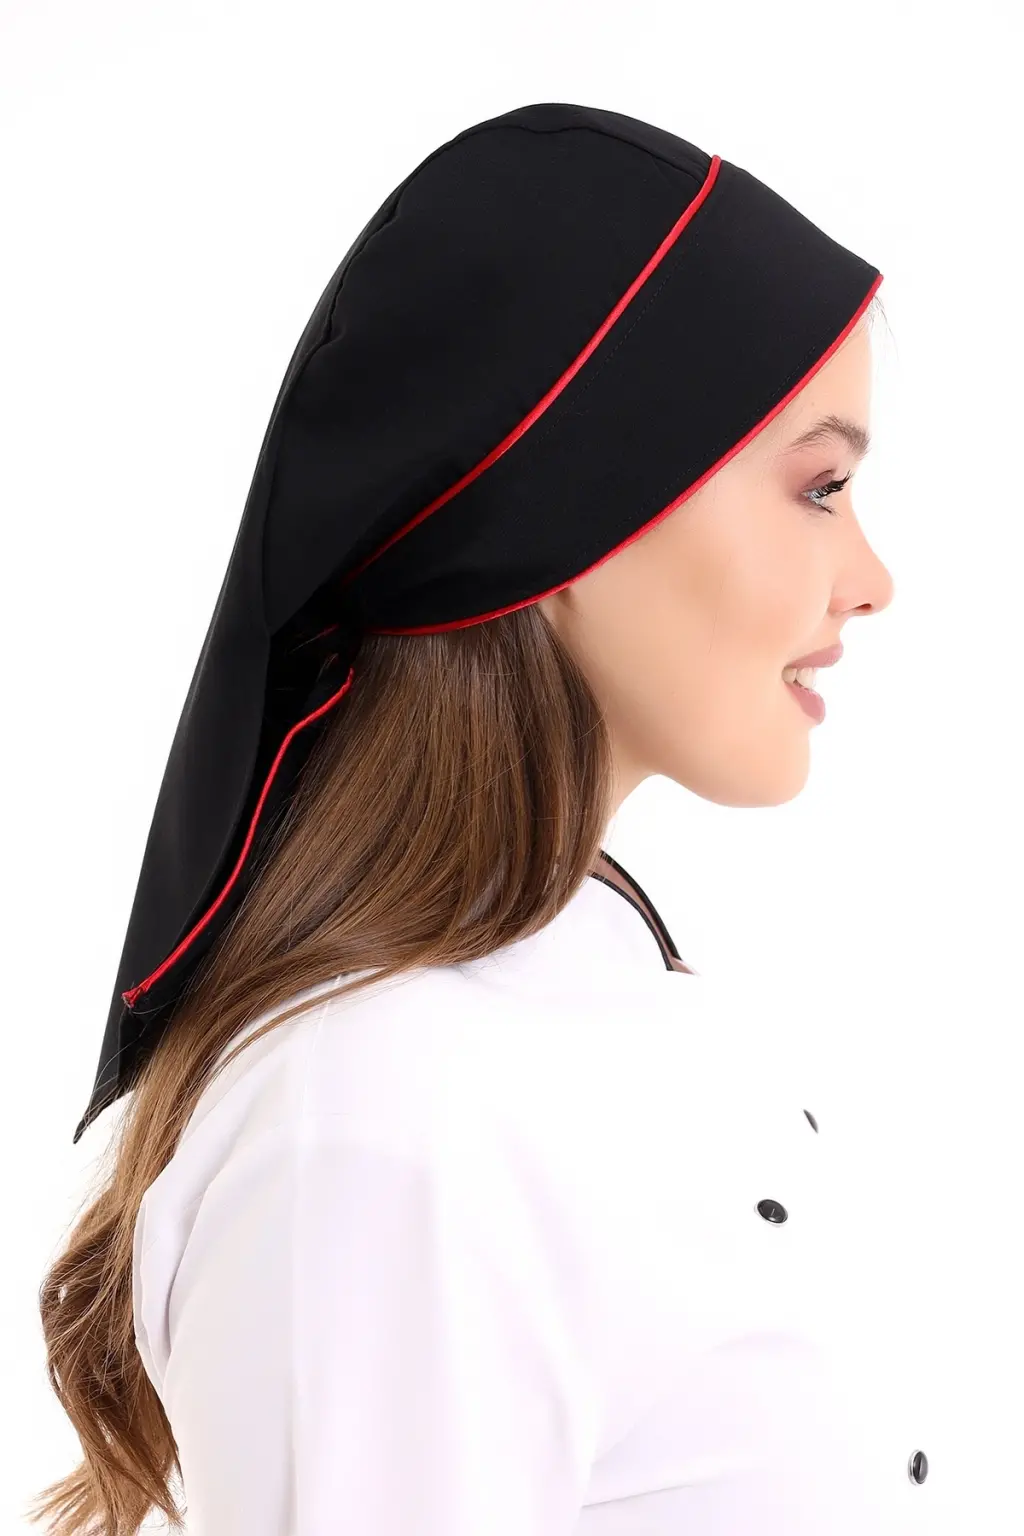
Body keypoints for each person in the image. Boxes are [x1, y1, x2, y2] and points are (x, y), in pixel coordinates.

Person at [31, 102, 934, 1536]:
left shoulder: (581, 1001)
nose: (873, 578)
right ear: (569, 508)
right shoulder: (380, 1126)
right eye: (820, 488)